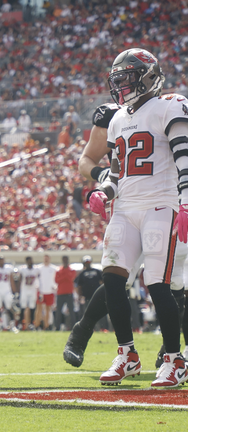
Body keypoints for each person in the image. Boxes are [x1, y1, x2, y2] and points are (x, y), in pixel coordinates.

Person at [86, 48, 188, 388]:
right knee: (113, 279)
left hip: (161, 203)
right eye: (118, 80)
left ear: (147, 75)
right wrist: (104, 192)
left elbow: (186, 160)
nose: (122, 86)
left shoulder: (170, 105)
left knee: (157, 283)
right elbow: (117, 175)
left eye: (127, 78)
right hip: (126, 208)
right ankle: (127, 354)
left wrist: (187, 204)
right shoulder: (116, 119)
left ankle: (175, 359)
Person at [74, 255, 102, 321]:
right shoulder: (82, 273)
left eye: (88, 263)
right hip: (86, 297)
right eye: (86, 263)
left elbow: (102, 282)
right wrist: (80, 296)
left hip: (97, 296)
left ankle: (102, 327)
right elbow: (79, 286)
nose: (87, 264)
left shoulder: (97, 271)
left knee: (99, 311)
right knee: (87, 312)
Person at [34, 254, 58, 330]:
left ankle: (46, 325)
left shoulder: (54, 268)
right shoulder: (39, 268)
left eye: (47, 258)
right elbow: (36, 278)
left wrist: (54, 286)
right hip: (41, 291)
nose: (46, 260)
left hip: (50, 291)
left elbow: (55, 279)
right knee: (39, 308)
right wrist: (37, 286)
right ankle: (37, 325)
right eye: (45, 258)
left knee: (48, 309)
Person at [54, 256, 76, 331]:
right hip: (60, 293)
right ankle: (57, 327)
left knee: (71, 311)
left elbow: (71, 278)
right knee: (58, 311)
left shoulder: (72, 270)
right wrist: (65, 276)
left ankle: (73, 326)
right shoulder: (58, 270)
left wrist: (63, 277)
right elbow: (56, 280)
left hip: (69, 293)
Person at [17, 257, 40, 330]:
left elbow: (39, 279)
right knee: (23, 307)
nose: (30, 262)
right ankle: (22, 324)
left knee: (32, 307)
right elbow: (20, 280)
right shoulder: (23, 269)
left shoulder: (36, 269)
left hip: (33, 290)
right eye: (29, 260)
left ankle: (31, 324)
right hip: (24, 290)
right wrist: (18, 291)